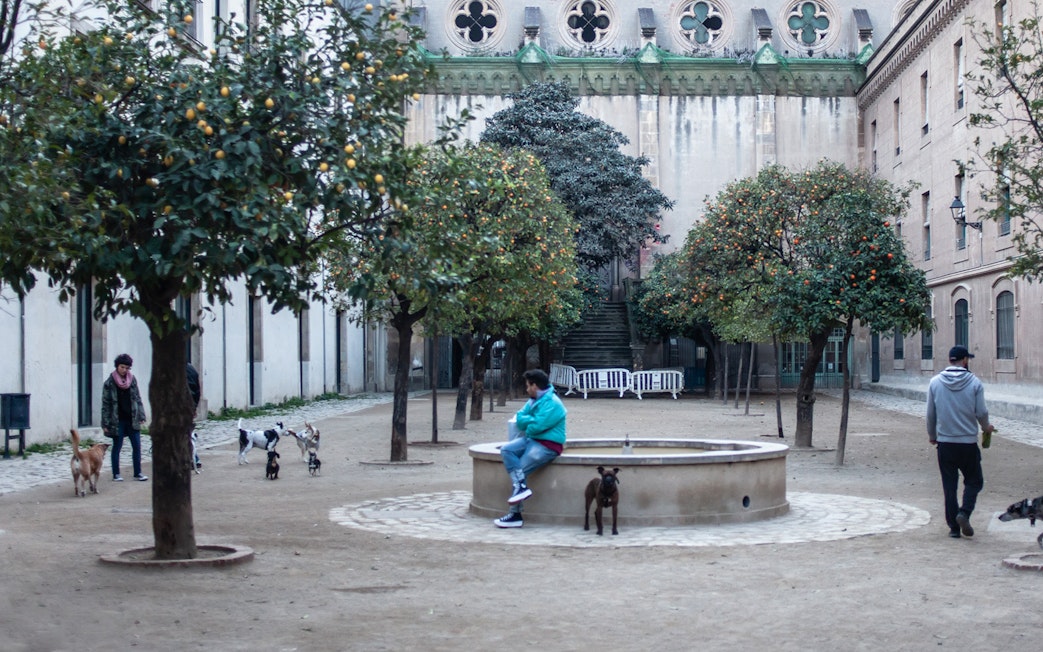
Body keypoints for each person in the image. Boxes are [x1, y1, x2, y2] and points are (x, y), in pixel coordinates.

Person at [926, 345, 995, 538]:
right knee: (974, 481)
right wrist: (986, 427)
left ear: (950, 360)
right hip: (967, 443)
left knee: (949, 486)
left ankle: (954, 528)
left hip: (945, 443)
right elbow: (981, 412)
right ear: (964, 360)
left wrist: (932, 435)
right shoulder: (975, 383)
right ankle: (964, 513)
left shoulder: (935, 382)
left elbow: (930, 414)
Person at [494, 368, 567, 528]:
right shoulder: (533, 400)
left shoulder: (554, 403)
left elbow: (536, 426)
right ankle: (521, 488)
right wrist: (530, 421)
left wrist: (529, 422)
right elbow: (520, 420)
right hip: (531, 440)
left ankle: (515, 514)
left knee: (521, 469)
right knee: (507, 449)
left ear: (535, 386)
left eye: (528, 386)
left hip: (548, 444)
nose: (526, 389)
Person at [101, 353, 148, 482]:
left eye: (127, 368)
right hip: (117, 420)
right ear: (117, 366)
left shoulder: (132, 380)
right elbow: (106, 404)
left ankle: (138, 472)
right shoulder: (109, 383)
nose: (124, 370)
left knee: (137, 446)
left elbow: (137, 398)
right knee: (117, 446)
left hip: (132, 418)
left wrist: (141, 415)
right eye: (122, 367)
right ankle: (116, 473)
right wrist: (105, 423)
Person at [186, 362, 202, 470]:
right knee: (188, 434)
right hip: (189, 407)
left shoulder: (172, 369)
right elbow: (197, 391)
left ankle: (192, 459)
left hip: (177, 408)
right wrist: (194, 407)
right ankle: (195, 459)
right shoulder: (192, 369)